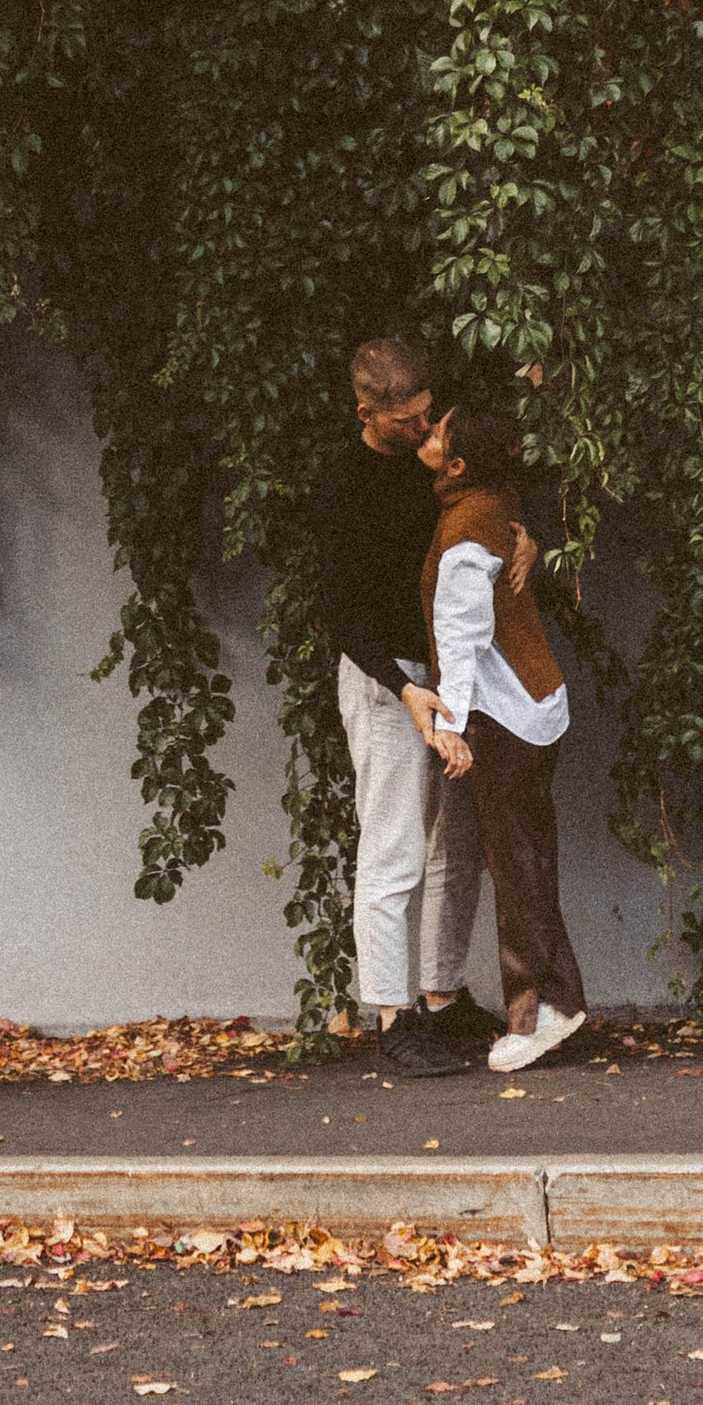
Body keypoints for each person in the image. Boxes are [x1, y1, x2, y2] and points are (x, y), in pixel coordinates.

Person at [311, 335, 492, 1075]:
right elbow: (338, 611)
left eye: (427, 416)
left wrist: (525, 546)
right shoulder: (341, 485)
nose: (425, 433)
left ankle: (443, 998)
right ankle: (393, 1015)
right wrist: (403, 685)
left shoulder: (434, 467)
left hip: (447, 675)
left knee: (461, 842)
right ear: (365, 412)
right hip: (384, 678)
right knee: (393, 847)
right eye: (406, 423)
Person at [407, 401, 588, 1072]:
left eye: (435, 430)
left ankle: (543, 1011)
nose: (423, 432)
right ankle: (559, 1000)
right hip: (533, 706)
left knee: (516, 868)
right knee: (529, 860)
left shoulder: (463, 530)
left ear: (455, 463)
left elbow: (462, 640)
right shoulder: (490, 496)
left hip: (504, 718)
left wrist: (449, 728)